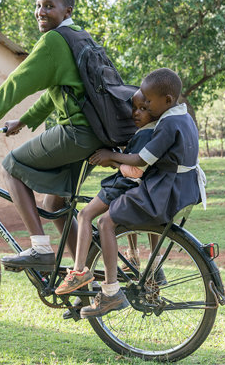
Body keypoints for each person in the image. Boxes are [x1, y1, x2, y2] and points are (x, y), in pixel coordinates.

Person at [0, 0, 104, 271]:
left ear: (67, 10)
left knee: (11, 165)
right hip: (95, 135)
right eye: (38, 5)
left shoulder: (53, 42)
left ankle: (39, 249)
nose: (40, 12)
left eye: (49, 6)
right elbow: (58, 91)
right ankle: (88, 273)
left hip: (76, 133)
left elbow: (14, 86)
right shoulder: (80, 37)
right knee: (55, 204)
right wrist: (24, 121)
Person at [58, 68, 206, 318]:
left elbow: (139, 159)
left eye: (148, 102)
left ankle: (111, 291)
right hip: (184, 188)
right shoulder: (185, 117)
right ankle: (147, 268)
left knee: (105, 222)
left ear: (167, 101)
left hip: (164, 192)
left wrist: (110, 155)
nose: (144, 107)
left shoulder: (168, 124)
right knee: (112, 216)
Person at [55, 87, 161, 296]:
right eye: (134, 109)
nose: (136, 114)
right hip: (135, 187)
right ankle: (147, 266)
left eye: (143, 109)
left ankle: (79, 271)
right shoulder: (153, 131)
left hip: (123, 185)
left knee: (84, 215)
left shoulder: (145, 133)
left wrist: (111, 159)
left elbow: (134, 169)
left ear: (154, 111)